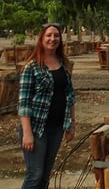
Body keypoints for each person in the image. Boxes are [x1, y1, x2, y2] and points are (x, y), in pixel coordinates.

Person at [18, 22, 76, 189]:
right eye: (49, 35)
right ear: (41, 39)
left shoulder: (63, 63)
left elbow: (70, 95)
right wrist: (27, 133)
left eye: (56, 36)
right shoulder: (32, 66)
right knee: (34, 175)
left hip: (56, 127)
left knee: (44, 176)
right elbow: (24, 103)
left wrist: (71, 123)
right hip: (37, 128)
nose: (52, 39)